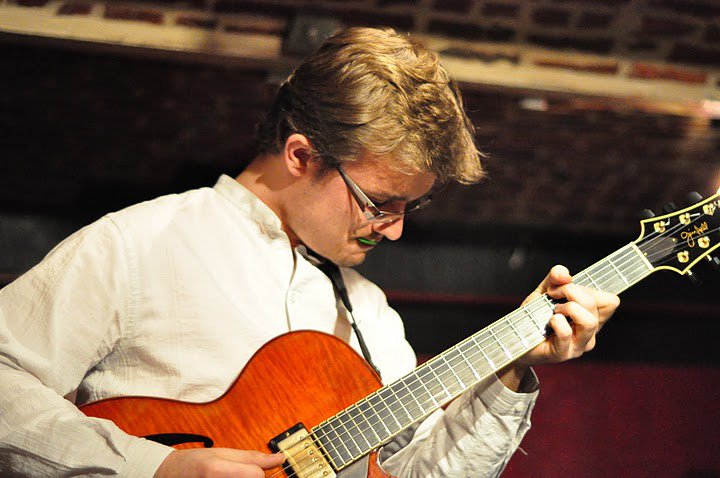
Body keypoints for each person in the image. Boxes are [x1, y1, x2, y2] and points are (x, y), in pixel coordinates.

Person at [0, 27, 619, 477]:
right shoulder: (138, 243)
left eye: (411, 206)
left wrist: (511, 365)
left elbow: (417, 473)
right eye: (379, 202)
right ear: (301, 155)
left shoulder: (370, 313)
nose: (394, 231)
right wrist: (154, 467)